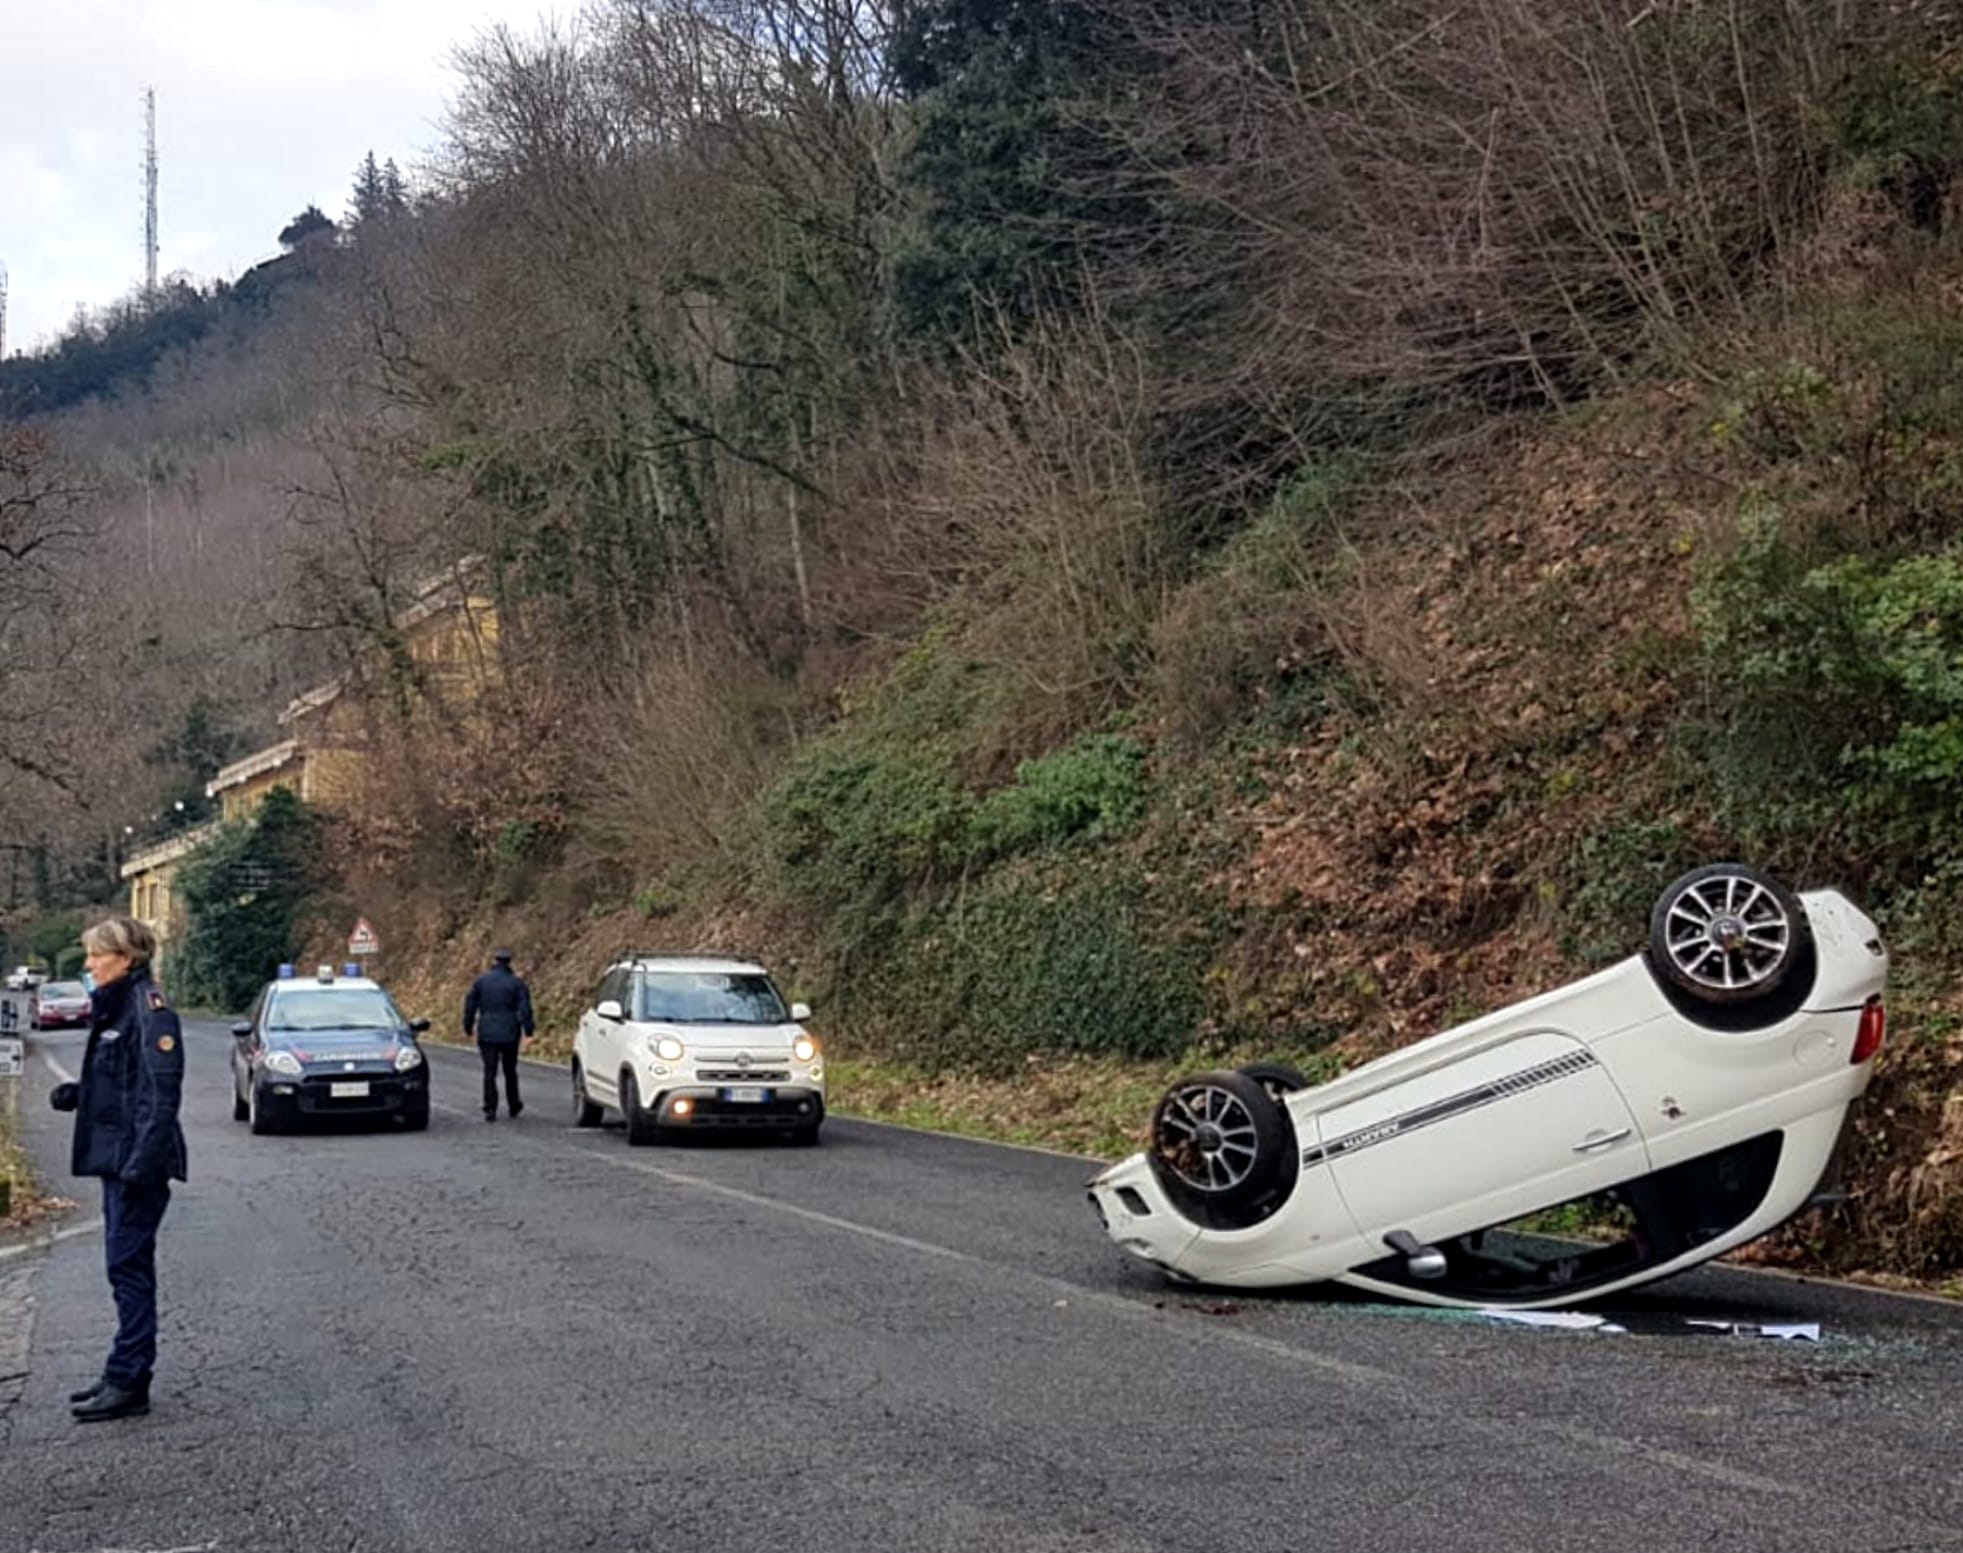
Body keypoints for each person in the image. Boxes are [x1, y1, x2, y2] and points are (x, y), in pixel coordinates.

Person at [47, 916, 186, 1423]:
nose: (88, 965)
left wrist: (140, 1165)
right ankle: (121, 1371)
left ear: (125, 959)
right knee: (122, 1266)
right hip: (120, 1159)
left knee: (128, 1269)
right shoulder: (118, 1008)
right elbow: (124, 1083)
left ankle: (130, 1380)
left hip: (136, 1166)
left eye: (96, 956)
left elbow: (160, 1094)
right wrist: (79, 1096)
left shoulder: (149, 1012)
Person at [463, 949, 533, 1121]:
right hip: (510, 1031)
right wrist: (529, 1029)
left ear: (494, 961)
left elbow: (470, 1004)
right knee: (510, 1070)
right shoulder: (516, 983)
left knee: (490, 1070)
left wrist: (468, 1025)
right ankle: (514, 1103)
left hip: (487, 1031)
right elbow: (525, 1009)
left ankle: (490, 1107)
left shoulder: (481, 982)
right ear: (509, 963)